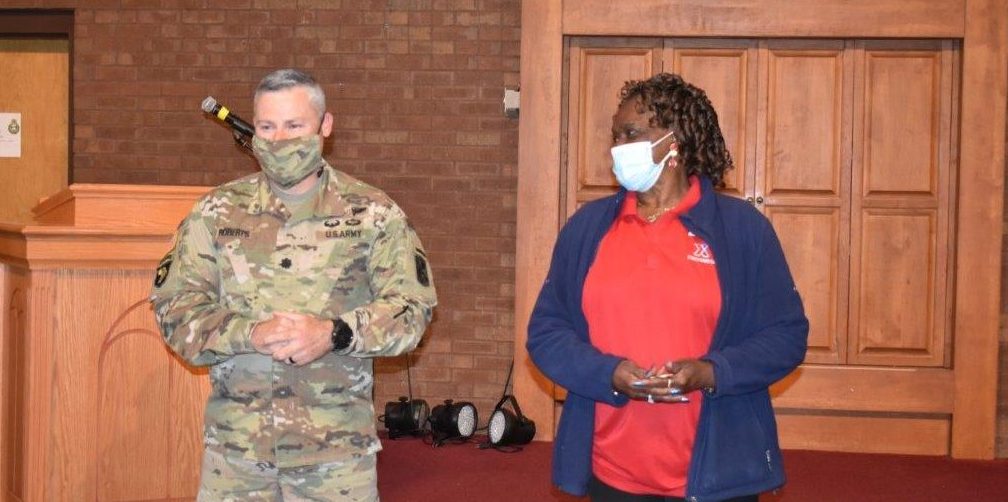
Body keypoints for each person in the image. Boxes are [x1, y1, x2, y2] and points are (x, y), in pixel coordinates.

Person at [150, 68, 437, 501]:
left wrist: (334, 333)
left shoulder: (373, 214)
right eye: (267, 127)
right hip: (237, 456)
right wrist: (250, 333)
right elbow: (175, 310)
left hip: (336, 457)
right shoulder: (215, 212)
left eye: (294, 126)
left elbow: (412, 310)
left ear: (325, 127)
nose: (279, 140)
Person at [526, 72, 809, 501]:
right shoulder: (587, 229)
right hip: (612, 470)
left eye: (631, 134)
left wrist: (712, 372)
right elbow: (546, 332)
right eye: (615, 135)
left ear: (672, 142)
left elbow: (786, 336)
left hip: (716, 471)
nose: (616, 148)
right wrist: (609, 374)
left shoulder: (742, 230)